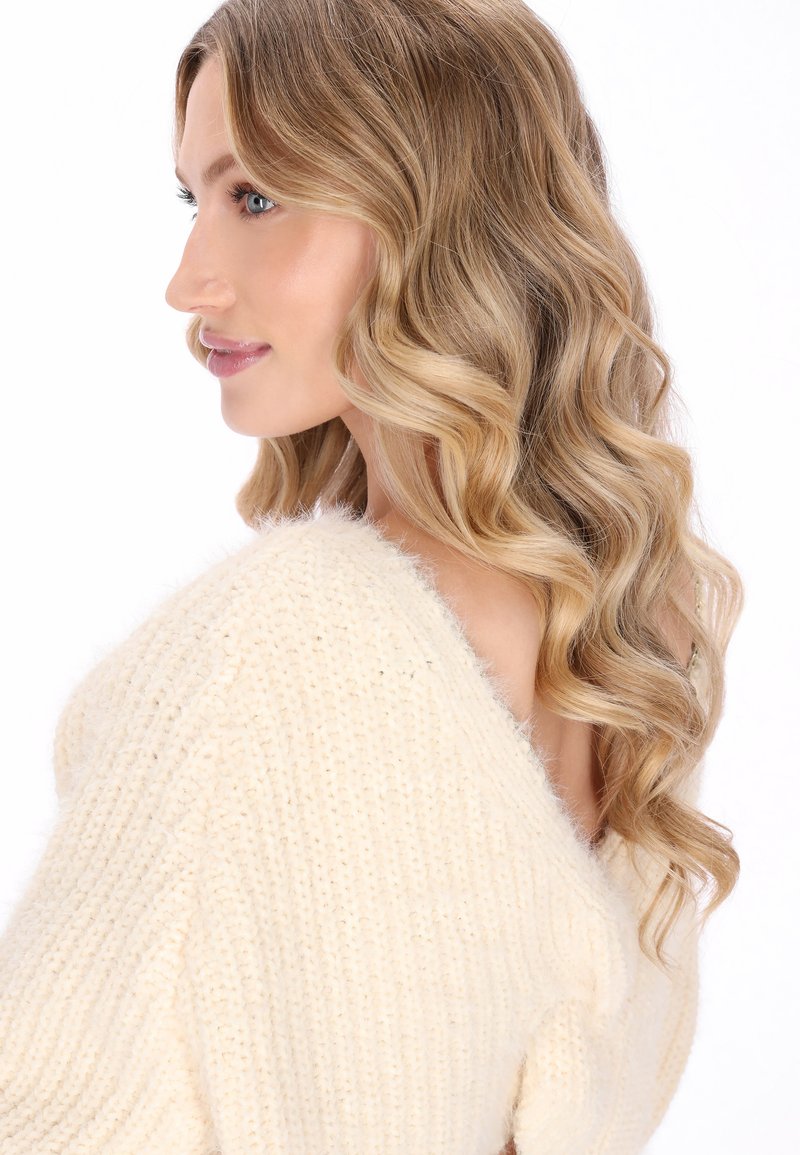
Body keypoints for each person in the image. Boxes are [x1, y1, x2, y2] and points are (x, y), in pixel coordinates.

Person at [0, 2, 743, 1152]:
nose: (190, 283)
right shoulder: (642, 638)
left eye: (255, 198)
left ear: (430, 210)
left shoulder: (281, 641)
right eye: (193, 202)